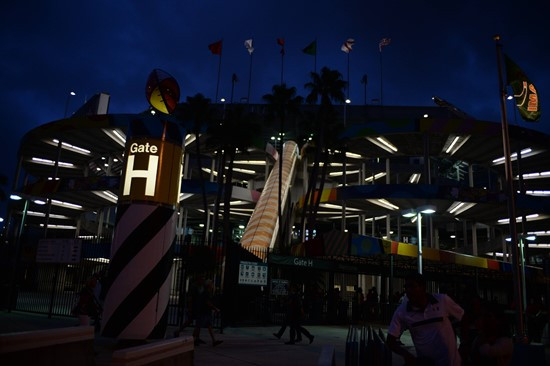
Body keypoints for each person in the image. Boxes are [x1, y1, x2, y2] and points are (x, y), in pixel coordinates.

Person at [386, 272, 464, 366]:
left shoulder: (442, 301)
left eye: (412, 286)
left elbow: (463, 317)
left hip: (451, 362)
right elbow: (390, 341)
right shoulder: (402, 311)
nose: (408, 290)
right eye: (406, 287)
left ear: (423, 287)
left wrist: (466, 343)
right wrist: (407, 356)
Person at [190, 276, 222, 347]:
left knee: (208, 326)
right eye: (211, 284)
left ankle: (213, 340)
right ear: (209, 285)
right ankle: (192, 340)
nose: (213, 285)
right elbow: (207, 302)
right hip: (203, 312)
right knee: (198, 326)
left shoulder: (207, 292)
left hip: (205, 312)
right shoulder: (206, 293)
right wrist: (215, 308)